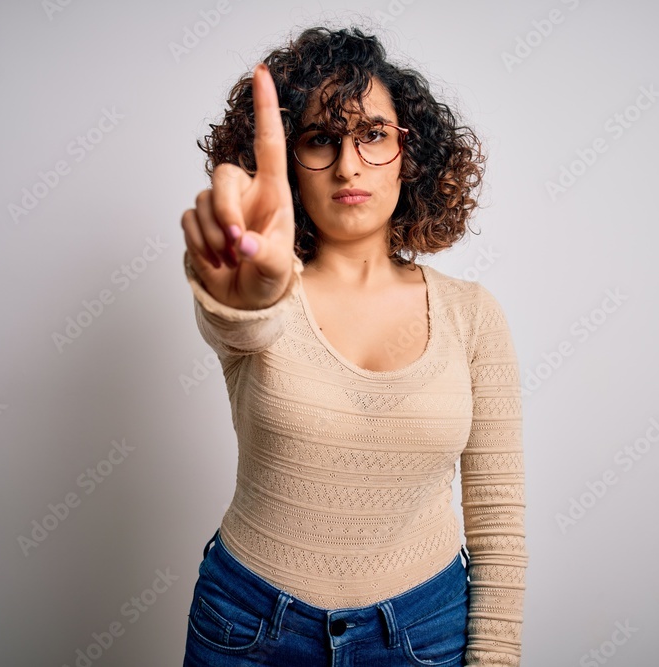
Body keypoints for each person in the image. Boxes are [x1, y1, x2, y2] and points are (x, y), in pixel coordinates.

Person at [180, 26, 526, 666]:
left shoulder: (471, 314)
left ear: (409, 153)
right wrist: (237, 290)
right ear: (285, 164)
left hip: (424, 633)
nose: (347, 165)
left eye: (371, 134)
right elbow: (240, 320)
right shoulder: (264, 293)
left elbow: (498, 519)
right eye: (319, 140)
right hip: (248, 628)